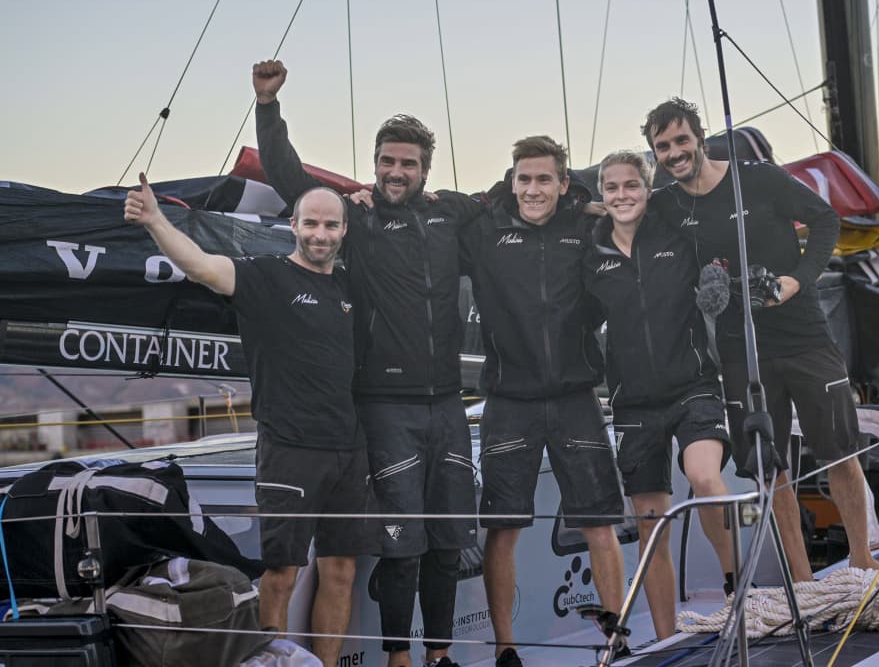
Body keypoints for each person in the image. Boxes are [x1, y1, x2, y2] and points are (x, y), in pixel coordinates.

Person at [254, 59, 477, 667]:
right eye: (386, 161)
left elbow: (523, 200)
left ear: (426, 169)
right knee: (402, 544)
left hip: (448, 404)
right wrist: (268, 107)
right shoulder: (356, 219)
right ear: (375, 163)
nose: (395, 172)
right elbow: (290, 179)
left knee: (448, 542)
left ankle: (439, 656)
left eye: (408, 163)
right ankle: (398, 659)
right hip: (384, 408)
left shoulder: (450, 215)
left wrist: (586, 201)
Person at [124, 176, 378, 667]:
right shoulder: (265, 276)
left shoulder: (350, 286)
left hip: (350, 450)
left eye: (331, 225)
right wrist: (155, 220)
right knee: (281, 575)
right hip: (289, 449)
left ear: (344, 230)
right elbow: (201, 266)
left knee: (341, 571)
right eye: (311, 223)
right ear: (293, 226)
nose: (320, 234)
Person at [642, 98, 879, 582]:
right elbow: (616, 207)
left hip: (806, 337)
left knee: (839, 451)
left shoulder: (760, 179)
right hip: (740, 352)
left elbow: (825, 220)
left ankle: (861, 558)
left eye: (681, 140)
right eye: (662, 146)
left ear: (700, 138)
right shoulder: (666, 205)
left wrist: (798, 281)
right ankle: (802, 579)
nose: (674, 152)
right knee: (770, 469)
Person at [459, 136, 625, 667]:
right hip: (510, 400)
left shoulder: (585, 228)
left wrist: (590, 205)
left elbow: (630, 223)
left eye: (544, 179)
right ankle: (505, 647)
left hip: (577, 397)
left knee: (598, 524)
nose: (533, 189)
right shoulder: (484, 232)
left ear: (563, 183)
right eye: (524, 179)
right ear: (512, 182)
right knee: (503, 528)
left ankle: (616, 639)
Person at [583, 150, 735, 640]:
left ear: (648, 190)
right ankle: (667, 641)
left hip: (693, 386)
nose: (622, 195)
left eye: (631, 185)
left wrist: (719, 276)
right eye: (612, 187)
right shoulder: (592, 254)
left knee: (704, 477)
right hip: (632, 402)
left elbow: (718, 250)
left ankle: (737, 589)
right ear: (601, 195)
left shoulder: (676, 234)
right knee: (652, 527)